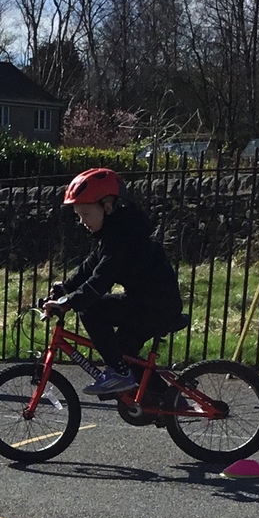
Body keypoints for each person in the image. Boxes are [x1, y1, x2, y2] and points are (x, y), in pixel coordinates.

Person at [40, 167, 184, 396]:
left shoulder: (123, 238)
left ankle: (119, 374)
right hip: (145, 302)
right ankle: (165, 400)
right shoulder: (114, 232)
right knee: (124, 351)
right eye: (78, 215)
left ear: (107, 206)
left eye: (86, 214)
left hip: (157, 306)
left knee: (91, 310)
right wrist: (64, 288)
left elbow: (101, 279)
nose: (82, 221)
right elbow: (90, 266)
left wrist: (69, 302)